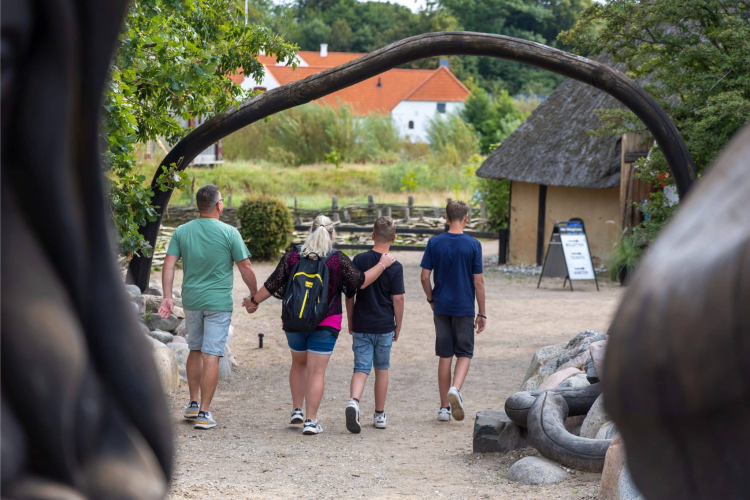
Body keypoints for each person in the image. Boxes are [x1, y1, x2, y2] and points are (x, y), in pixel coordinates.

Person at [245, 215, 396, 435]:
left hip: (294, 320)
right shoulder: (336, 259)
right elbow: (360, 281)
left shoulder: (293, 255)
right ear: (331, 234)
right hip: (326, 322)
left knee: (298, 364)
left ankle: (297, 410)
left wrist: (253, 302)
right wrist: (382, 264)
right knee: (316, 372)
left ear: (311, 231)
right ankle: (311, 421)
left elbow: (273, 283)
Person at [159, 185, 258, 429]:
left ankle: (192, 404)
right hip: (218, 303)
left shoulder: (182, 231)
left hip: (192, 300)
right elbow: (246, 267)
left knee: (194, 349)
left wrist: (167, 296)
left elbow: (168, 265)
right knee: (212, 354)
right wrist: (254, 294)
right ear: (218, 205)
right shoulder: (230, 232)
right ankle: (204, 413)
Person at [420, 200, 486, 422]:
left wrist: (431, 298)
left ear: (446, 218)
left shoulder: (434, 243)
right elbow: (479, 283)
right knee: (465, 352)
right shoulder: (474, 245)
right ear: (466, 218)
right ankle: (455, 389)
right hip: (464, 306)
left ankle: (443, 409)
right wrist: (482, 312)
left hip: (441, 306)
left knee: (445, 355)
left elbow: (424, 276)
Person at [344, 217, 405, 433]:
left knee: (361, 368)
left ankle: (354, 401)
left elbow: (349, 294)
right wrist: (398, 325)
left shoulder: (359, 260)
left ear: (372, 235)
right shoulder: (395, 266)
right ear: (394, 238)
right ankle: (379, 414)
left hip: (362, 323)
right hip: (384, 325)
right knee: (382, 369)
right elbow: (398, 299)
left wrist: (350, 319)